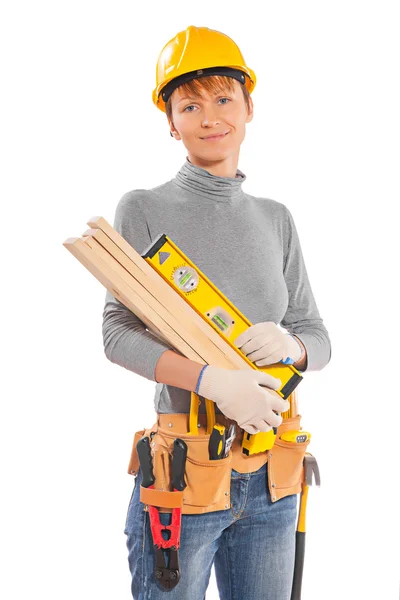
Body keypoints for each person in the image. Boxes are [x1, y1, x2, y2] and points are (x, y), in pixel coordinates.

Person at [102, 25, 331, 600]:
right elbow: (116, 334)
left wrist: (292, 346)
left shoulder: (275, 218)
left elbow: (317, 335)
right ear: (170, 121)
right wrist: (213, 382)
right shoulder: (144, 209)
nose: (210, 117)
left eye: (224, 98)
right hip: (183, 478)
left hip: (274, 475)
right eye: (190, 104)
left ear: (249, 107)